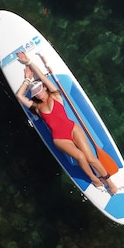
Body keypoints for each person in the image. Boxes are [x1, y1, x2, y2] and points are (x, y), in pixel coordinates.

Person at [15, 51, 117, 194]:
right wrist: (27, 80)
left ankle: (109, 181)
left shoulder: (56, 96)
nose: (38, 93)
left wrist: (29, 62)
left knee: (90, 158)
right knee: (80, 157)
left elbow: (43, 77)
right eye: (35, 93)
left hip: (73, 129)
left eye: (39, 89)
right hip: (60, 139)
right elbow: (19, 96)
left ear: (44, 87)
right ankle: (94, 178)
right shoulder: (37, 107)